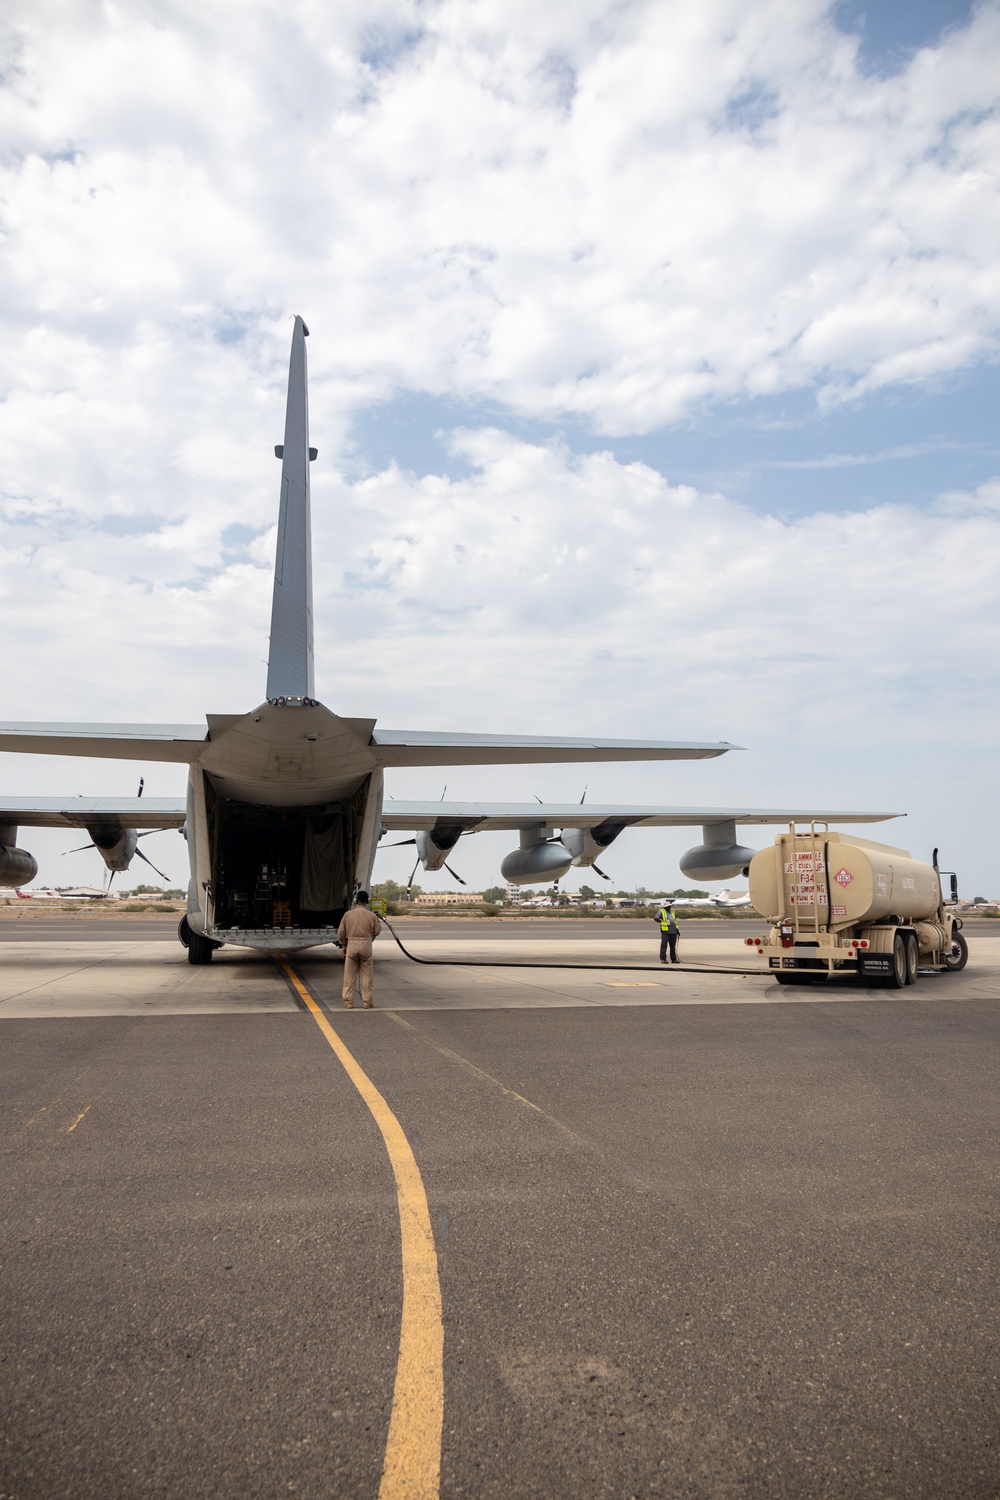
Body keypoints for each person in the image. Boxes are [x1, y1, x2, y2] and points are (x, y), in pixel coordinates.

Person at [337, 890, 382, 1008]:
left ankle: (348, 1002)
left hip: (352, 944)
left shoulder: (348, 914)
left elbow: (341, 932)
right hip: (366, 945)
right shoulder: (371, 915)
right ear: (366, 901)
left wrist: (344, 945)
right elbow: (377, 930)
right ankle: (367, 1002)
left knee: (349, 976)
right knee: (367, 976)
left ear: (357, 901)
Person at [655, 899, 680, 964]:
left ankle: (673, 959)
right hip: (666, 931)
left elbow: (674, 921)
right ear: (665, 907)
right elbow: (656, 918)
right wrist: (662, 922)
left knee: (672, 946)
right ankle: (663, 959)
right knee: (664, 945)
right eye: (668, 906)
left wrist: (677, 930)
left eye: (670, 906)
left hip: (673, 931)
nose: (669, 907)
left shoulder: (672, 912)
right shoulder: (662, 911)